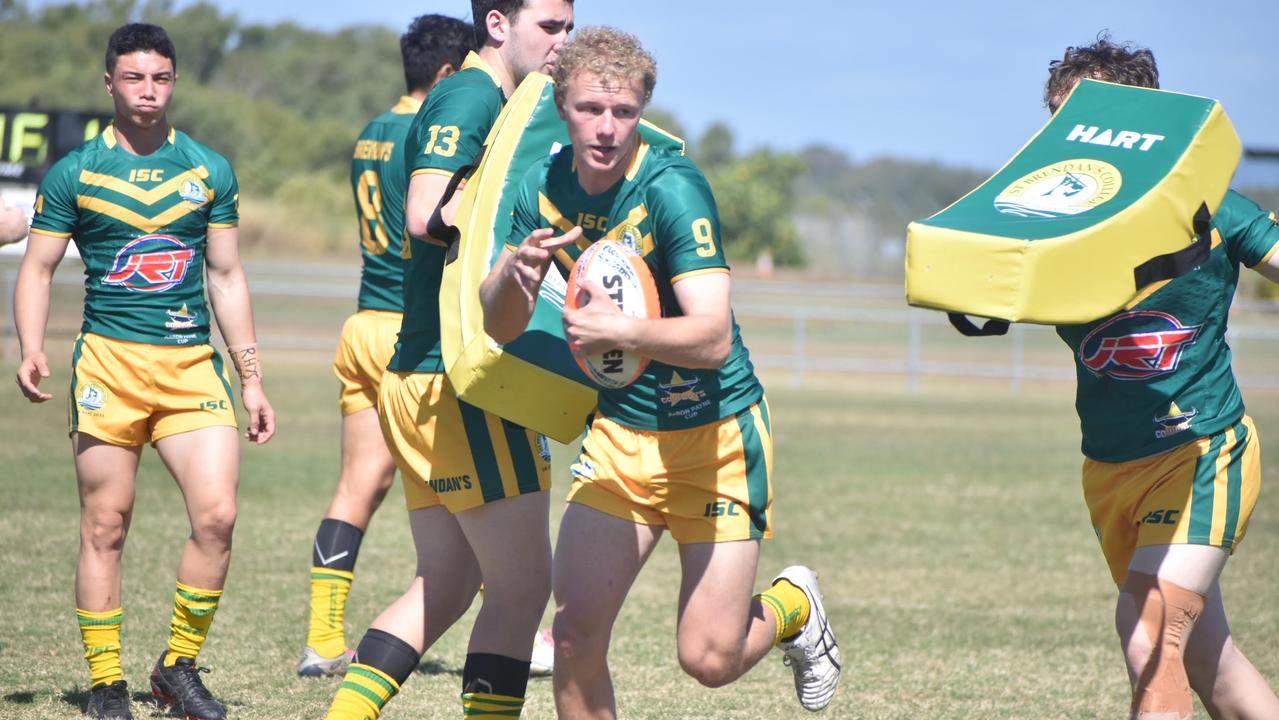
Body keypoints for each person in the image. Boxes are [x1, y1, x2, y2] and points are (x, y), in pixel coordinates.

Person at [479, 26, 842, 718]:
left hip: (715, 436)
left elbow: (709, 338)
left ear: (642, 113)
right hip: (620, 436)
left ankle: (793, 606)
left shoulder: (672, 190)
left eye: (624, 113)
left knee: (707, 659)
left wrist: (619, 330)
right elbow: (500, 328)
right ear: (562, 107)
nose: (607, 128)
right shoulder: (540, 188)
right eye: (591, 109)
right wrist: (510, 275)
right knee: (576, 633)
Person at [13, 23, 275, 720]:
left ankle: (177, 669)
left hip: (192, 367)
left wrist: (250, 376)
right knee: (106, 523)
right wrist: (31, 345)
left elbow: (225, 275)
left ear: (174, 81)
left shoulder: (209, 169)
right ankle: (105, 684)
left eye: (160, 77)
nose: (148, 90)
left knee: (217, 516)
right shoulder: (74, 173)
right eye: (134, 77)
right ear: (109, 84)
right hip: (109, 365)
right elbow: (37, 268)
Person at [322, 2, 572, 718]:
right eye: (550, 26)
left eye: (567, 26)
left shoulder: (488, 97)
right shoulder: (469, 94)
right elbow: (426, 211)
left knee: (447, 586)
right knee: (522, 591)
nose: (564, 41)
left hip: (422, 372)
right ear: (498, 23)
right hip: (459, 378)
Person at [1044, 34, 1279, 720]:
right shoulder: (1054, 224)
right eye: (1058, 119)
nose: (1071, 136)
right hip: (1110, 467)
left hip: (1202, 450)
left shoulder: (1209, 208)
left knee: (1148, 630)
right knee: (1209, 664)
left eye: (1087, 118)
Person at [297, 12, 473, 680]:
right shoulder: (433, 134)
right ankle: (523, 620)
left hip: (362, 325)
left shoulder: (372, 130)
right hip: (414, 331)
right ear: (451, 74)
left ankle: (321, 639)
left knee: (356, 486)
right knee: (478, 484)